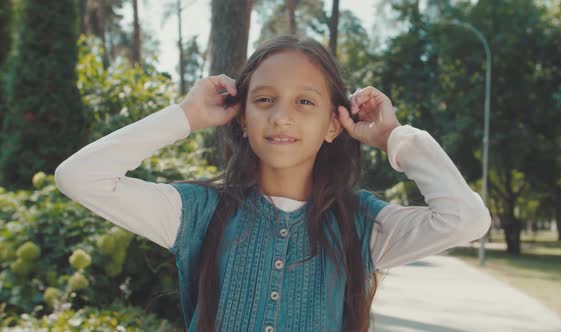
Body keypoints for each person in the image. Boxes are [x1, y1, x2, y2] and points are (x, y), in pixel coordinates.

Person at [55, 35, 491, 332]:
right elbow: (79, 177)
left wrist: (393, 137)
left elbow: (466, 219)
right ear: (242, 117)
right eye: (264, 100)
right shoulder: (196, 213)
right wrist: (187, 116)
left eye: (305, 102)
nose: (282, 116)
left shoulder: (363, 225)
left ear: (333, 124)